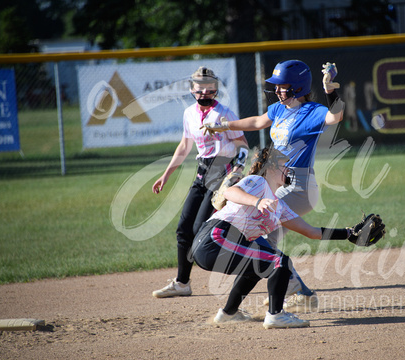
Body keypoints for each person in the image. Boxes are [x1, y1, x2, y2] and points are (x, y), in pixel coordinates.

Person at [202, 59, 345, 311]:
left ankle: (296, 289)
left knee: (262, 237)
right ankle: (294, 290)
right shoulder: (278, 110)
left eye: (283, 85)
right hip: (278, 186)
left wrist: (331, 92)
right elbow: (257, 122)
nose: (277, 90)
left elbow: (335, 117)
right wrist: (224, 126)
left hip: (299, 186)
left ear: (298, 87)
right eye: (276, 86)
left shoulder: (311, 111)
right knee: (266, 239)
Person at [190, 147, 359, 329]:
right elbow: (229, 192)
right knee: (280, 262)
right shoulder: (258, 182)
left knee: (257, 267)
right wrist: (257, 201)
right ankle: (276, 315)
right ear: (270, 168)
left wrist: (349, 233)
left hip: (219, 244)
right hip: (215, 239)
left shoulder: (280, 206)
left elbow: (311, 232)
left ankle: (228, 313)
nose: (288, 170)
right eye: (283, 166)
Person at [151, 66, 249, 298]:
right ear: (192, 89)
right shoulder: (189, 114)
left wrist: (237, 170)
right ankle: (182, 283)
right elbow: (185, 146)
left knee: (199, 230)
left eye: (209, 88)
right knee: (183, 229)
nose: (204, 93)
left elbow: (243, 145)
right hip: (201, 174)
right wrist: (166, 175)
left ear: (215, 89)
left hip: (222, 173)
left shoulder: (224, 114)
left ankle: (247, 266)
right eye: (199, 88)